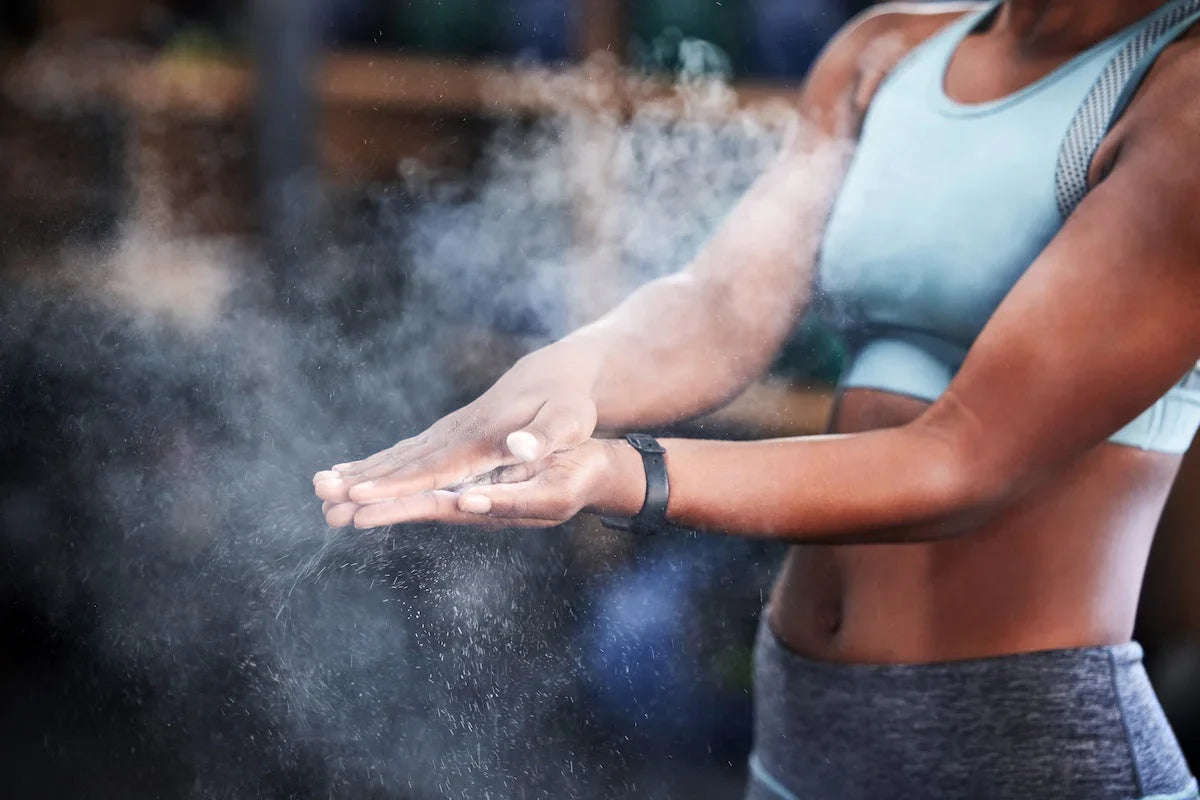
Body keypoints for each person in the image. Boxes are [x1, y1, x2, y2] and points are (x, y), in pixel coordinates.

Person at [314, 1, 1200, 797]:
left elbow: (964, 456)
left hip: (1024, 744)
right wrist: (568, 371)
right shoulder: (889, 49)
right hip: (802, 727)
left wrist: (624, 473)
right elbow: (721, 305)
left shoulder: (1179, 95)